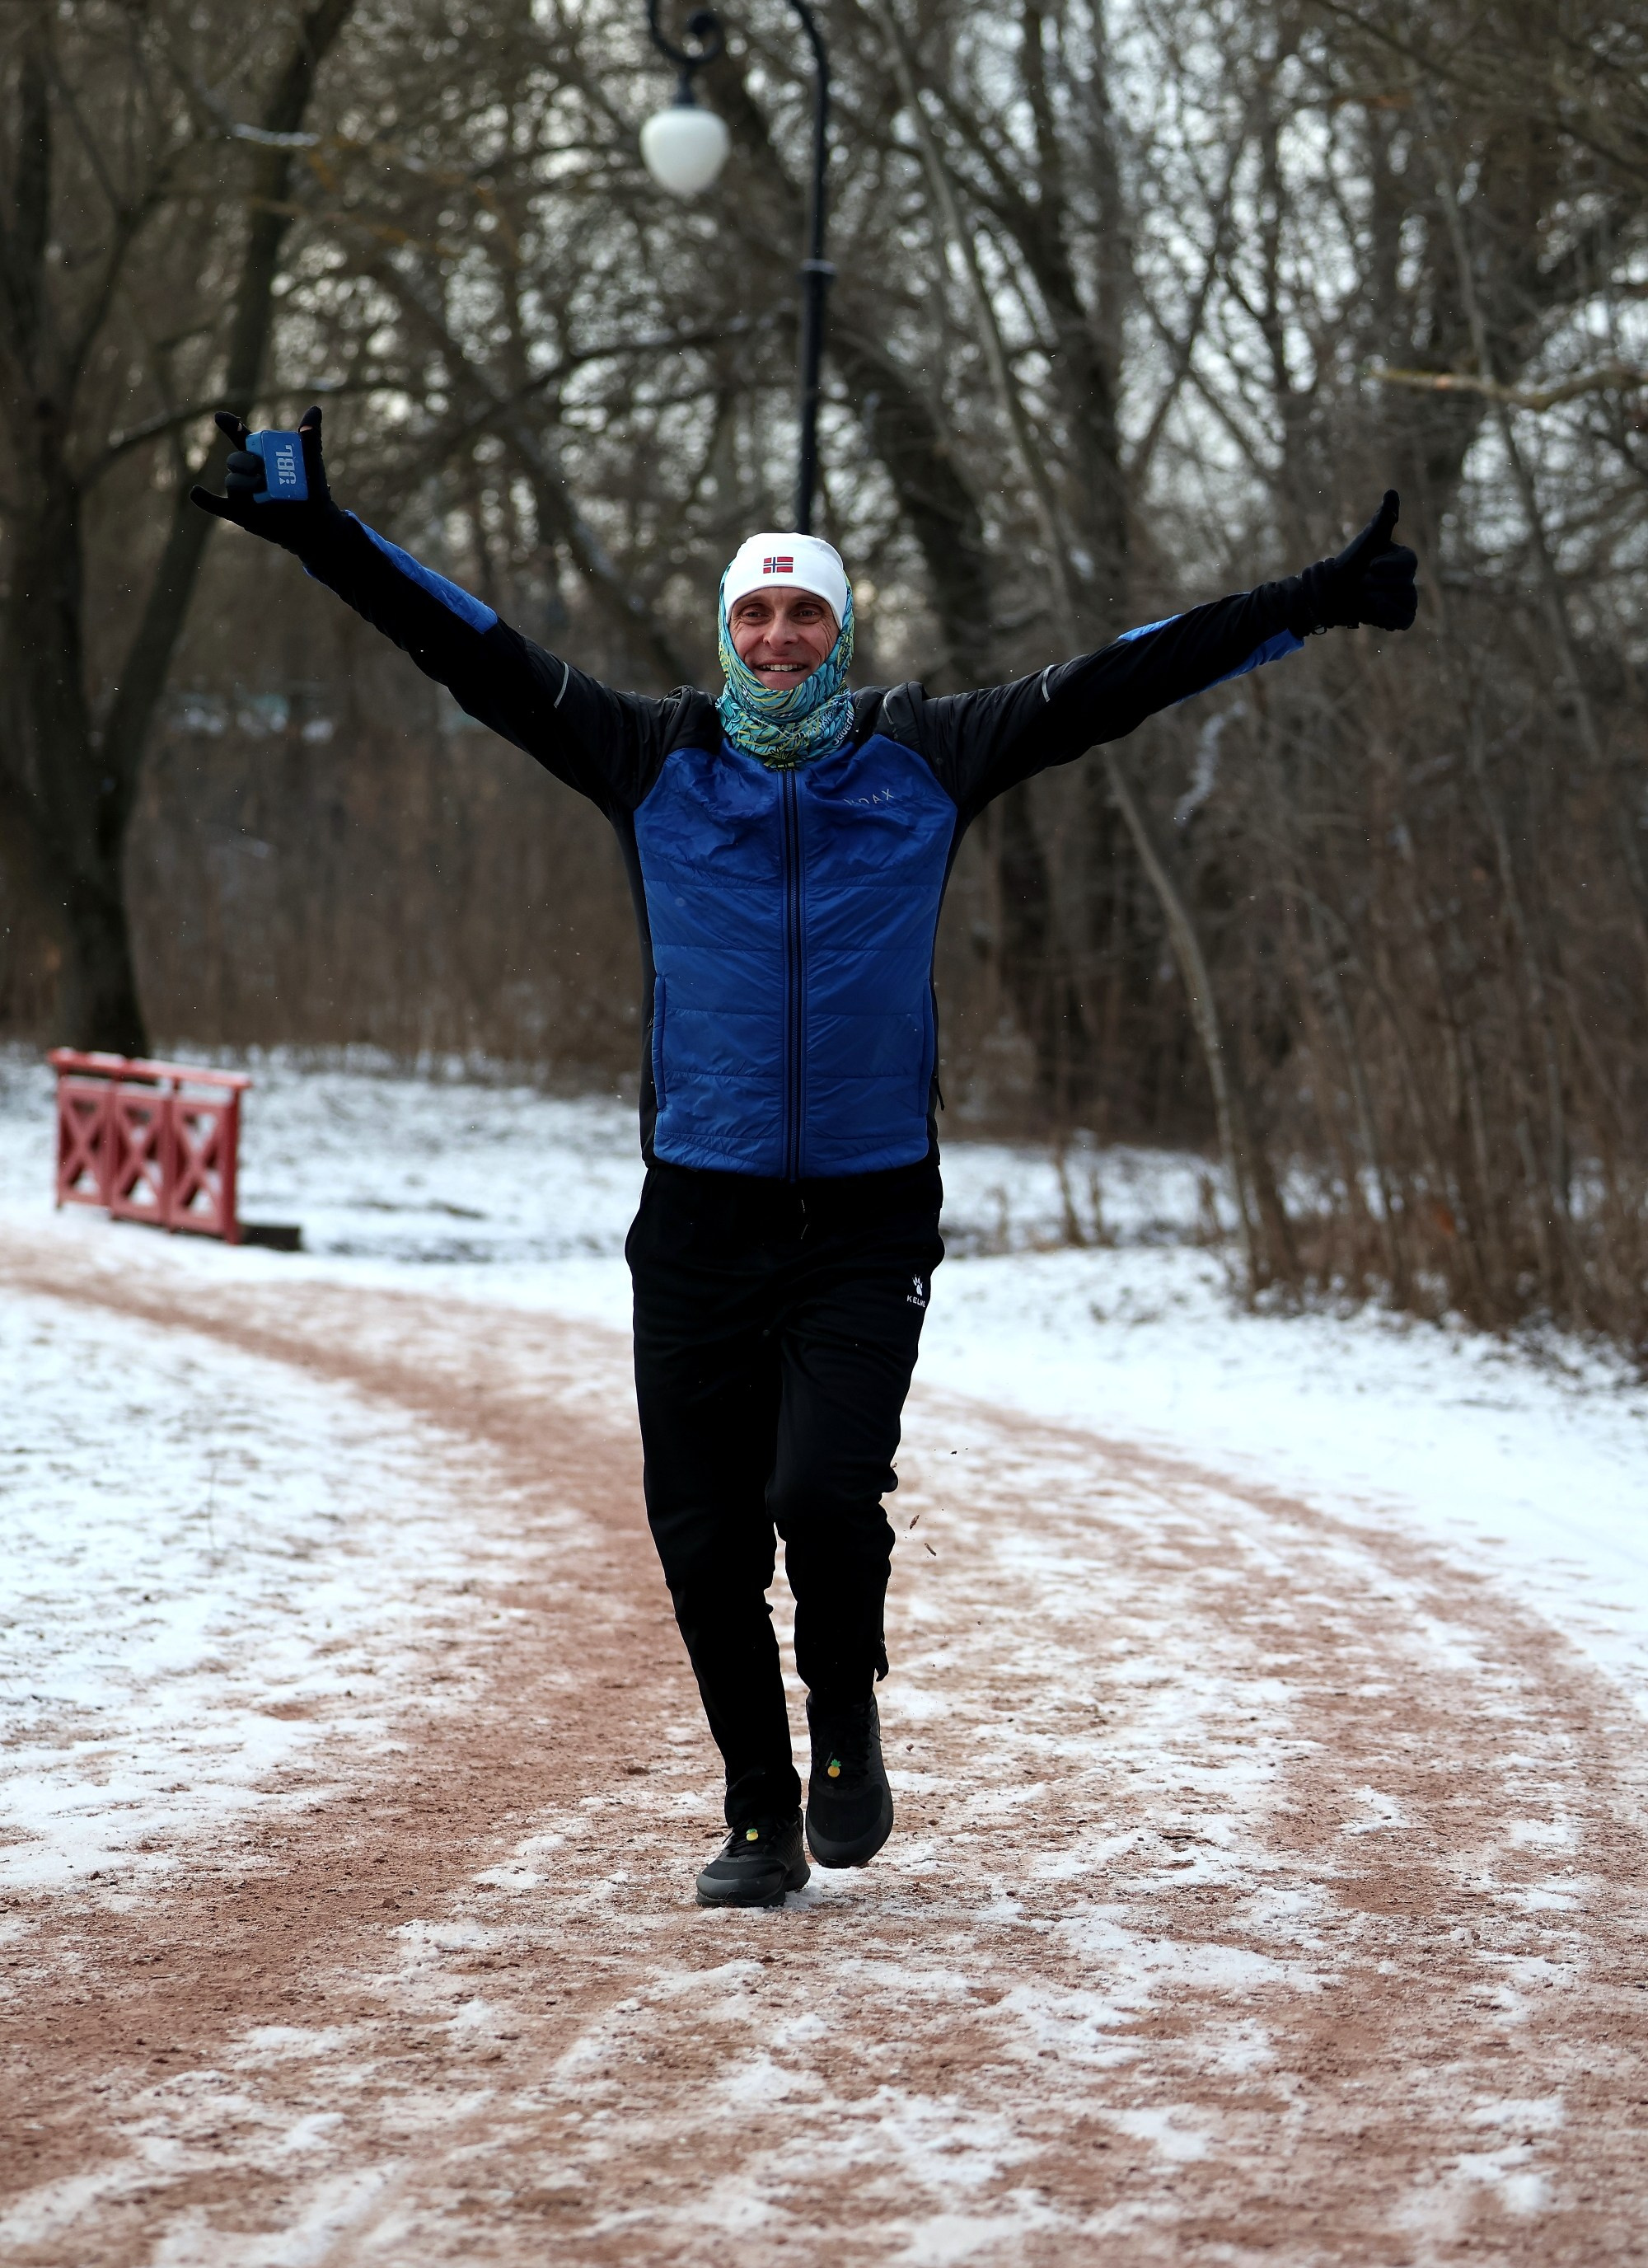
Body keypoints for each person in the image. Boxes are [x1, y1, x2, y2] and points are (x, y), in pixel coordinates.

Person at [194, 407, 1419, 1908]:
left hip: (864, 1219)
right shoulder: (650, 759)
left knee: (824, 1497)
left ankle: (846, 1721)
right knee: (704, 1538)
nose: (778, 636)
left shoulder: (931, 755)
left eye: (804, 612)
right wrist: (320, 528)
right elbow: (470, 648)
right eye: (754, 613)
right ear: (726, 631)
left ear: (841, 630)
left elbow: (1122, 677)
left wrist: (1306, 599)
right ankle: (758, 1810)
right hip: (698, 1221)